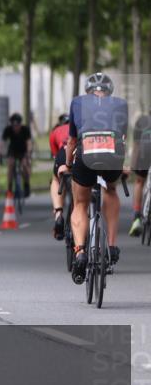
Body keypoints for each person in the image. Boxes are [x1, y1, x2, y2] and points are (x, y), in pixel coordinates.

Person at [57, 72, 129, 284]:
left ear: (88, 90)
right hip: (112, 155)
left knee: (80, 202)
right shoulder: (120, 104)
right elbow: (122, 138)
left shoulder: (78, 103)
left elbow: (71, 141)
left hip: (86, 155)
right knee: (111, 190)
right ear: (109, 91)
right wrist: (122, 165)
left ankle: (79, 251)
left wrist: (68, 165)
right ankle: (112, 246)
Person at [128, 112, 151, 236]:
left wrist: (133, 166)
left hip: (144, 152)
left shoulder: (141, 120)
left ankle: (136, 216)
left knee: (139, 181)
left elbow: (136, 145)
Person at [49, 113, 71, 240]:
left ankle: (58, 213)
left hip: (63, 152)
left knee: (56, 178)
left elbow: (55, 155)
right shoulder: (81, 126)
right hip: (81, 152)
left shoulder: (55, 131)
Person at [0, 113, 33, 197]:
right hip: (12, 151)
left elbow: (29, 143)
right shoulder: (8, 129)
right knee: (10, 165)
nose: (16, 128)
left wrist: (28, 154)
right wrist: (1, 153)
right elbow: (2, 142)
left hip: (23, 151)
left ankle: (26, 185)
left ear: (20, 124)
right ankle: (10, 188)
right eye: (14, 126)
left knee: (25, 166)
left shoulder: (25, 129)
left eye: (17, 125)